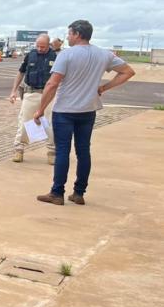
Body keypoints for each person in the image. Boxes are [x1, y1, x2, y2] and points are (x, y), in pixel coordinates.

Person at [34, 20, 135, 205]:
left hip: (65, 110)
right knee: (83, 150)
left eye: (69, 33)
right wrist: (104, 87)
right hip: (88, 110)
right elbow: (128, 72)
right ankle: (79, 193)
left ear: (77, 34)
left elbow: (52, 83)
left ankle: (57, 193)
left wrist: (40, 109)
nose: (67, 37)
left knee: (63, 150)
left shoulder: (66, 55)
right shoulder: (104, 54)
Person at [8, 34, 56, 164]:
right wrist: (13, 91)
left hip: (49, 94)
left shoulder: (56, 56)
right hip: (31, 92)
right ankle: (19, 149)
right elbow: (21, 72)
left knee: (50, 124)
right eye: (38, 46)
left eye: (43, 47)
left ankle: (52, 151)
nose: (40, 49)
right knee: (24, 122)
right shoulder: (31, 55)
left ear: (48, 45)